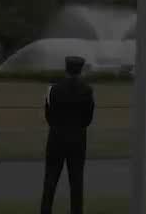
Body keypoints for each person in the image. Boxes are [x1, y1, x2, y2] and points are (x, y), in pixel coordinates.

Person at [41, 55, 94, 214]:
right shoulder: (87, 90)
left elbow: (48, 114)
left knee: (50, 178)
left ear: (66, 68)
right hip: (78, 138)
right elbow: (88, 117)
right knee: (76, 180)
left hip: (56, 137)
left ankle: (45, 210)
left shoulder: (54, 89)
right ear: (80, 69)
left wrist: (58, 126)